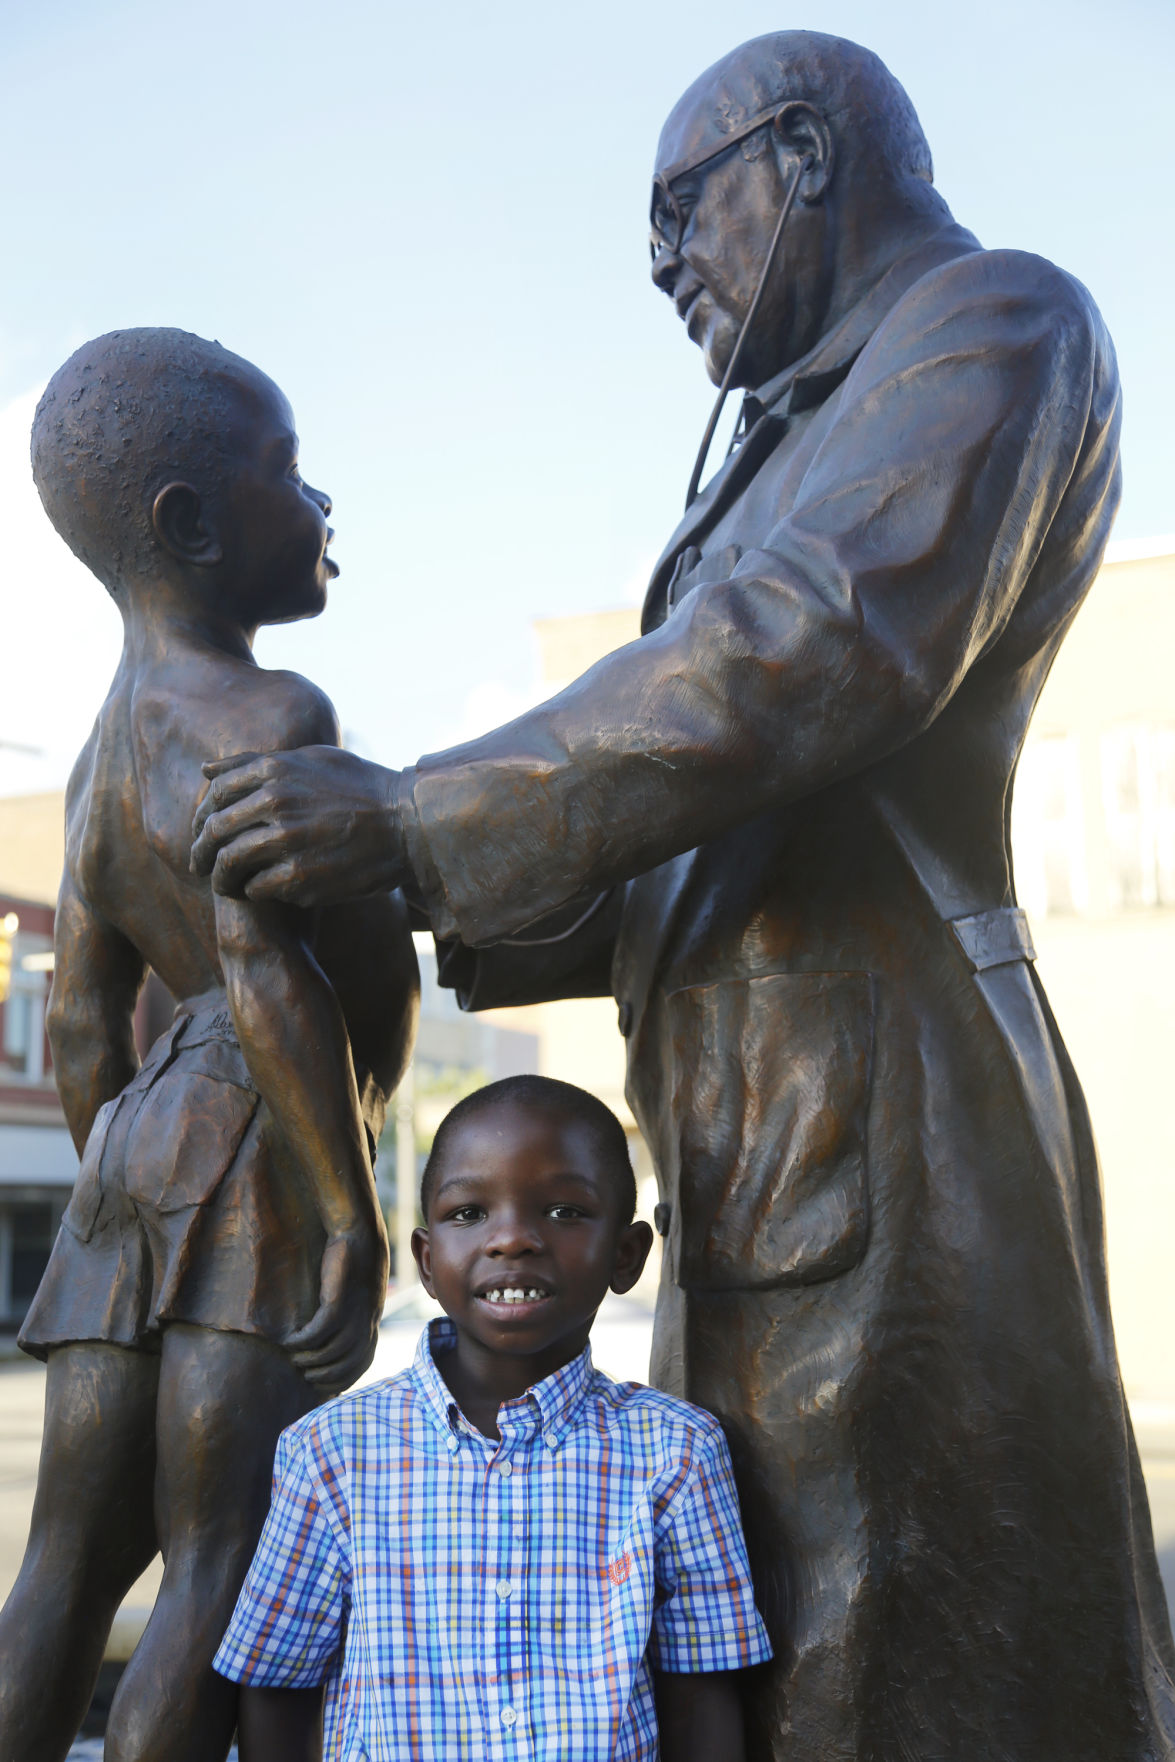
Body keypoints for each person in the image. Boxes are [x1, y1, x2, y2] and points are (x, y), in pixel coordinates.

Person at [190, 31, 1175, 1762]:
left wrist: (418, 818)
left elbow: (796, 657)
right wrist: (398, 896)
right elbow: (688, 842)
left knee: (905, 1645)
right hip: (761, 1128)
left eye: (681, 214)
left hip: (894, 1106)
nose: (663, 271)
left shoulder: (992, 323)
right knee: (772, 1636)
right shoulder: (782, 432)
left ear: (799, 156)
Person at [0, 329, 419, 1762]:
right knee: (218, 1558)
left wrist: (121, 1171)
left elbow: (76, 1015)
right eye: (289, 474)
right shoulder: (272, 713)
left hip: (130, 1161)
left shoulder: (101, 750)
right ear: (186, 522)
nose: (321, 512)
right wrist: (348, 1215)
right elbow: (265, 973)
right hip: (257, 1141)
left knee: (61, 1567)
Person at [215, 1074, 772, 1762]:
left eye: (565, 1211)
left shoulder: (677, 1451)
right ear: (425, 1259)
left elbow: (703, 1693)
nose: (512, 1239)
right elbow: (278, 1684)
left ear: (625, 1256)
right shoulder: (330, 1452)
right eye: (468, 1213)